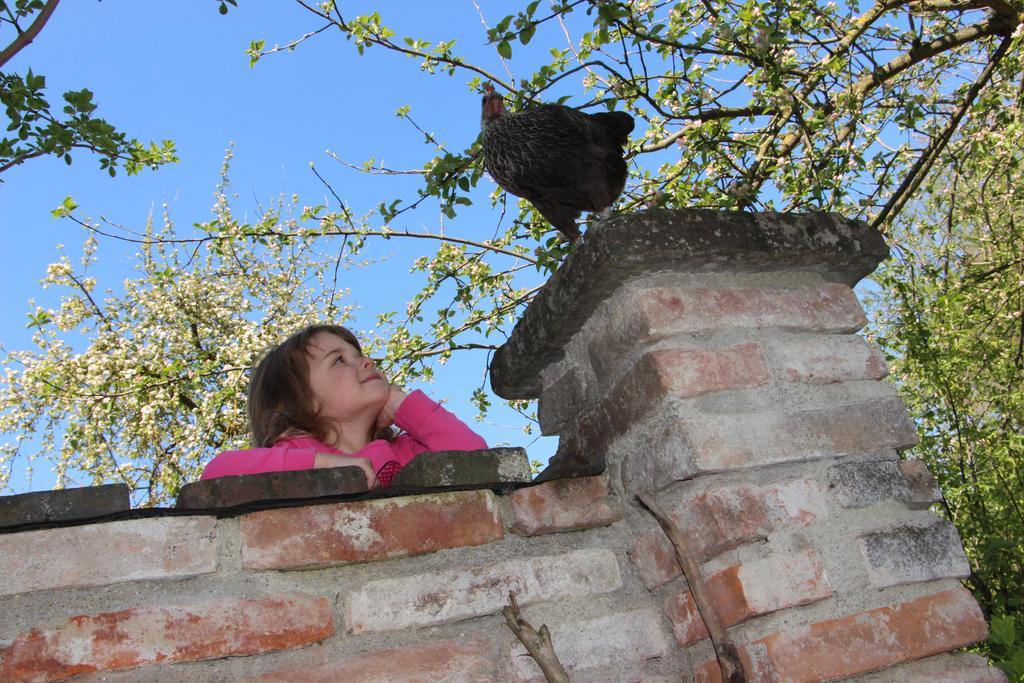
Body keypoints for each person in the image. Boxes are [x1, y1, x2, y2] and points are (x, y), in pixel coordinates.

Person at [201, 324, 487, 487]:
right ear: (304, 400)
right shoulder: (296, 455)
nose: (367, 362)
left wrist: (403, 403)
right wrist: (327, 466)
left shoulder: (407, 450)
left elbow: (481, 462)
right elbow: (217, 472)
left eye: (358, 354)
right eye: (339, 360)